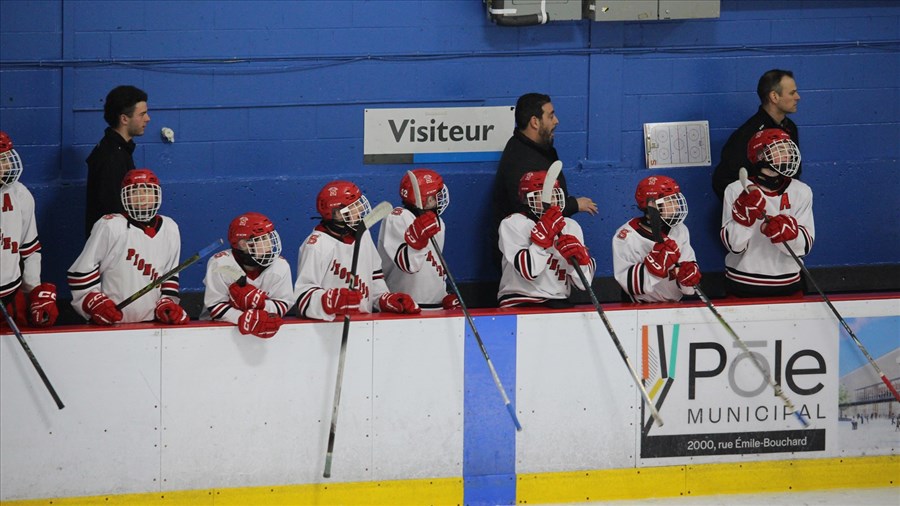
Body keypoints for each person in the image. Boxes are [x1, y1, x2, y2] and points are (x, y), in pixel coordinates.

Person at [68, 168, 188, 325]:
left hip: (152, 323)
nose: (141, 197)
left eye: (147, 191)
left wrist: (166, 302)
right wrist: (95, 303)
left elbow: (170, 274)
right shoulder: (110, 225)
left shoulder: (170, 228)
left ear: (157, 194)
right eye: (134, 192)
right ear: (125, 196)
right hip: (110, 322)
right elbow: (81, 271)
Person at [294, 180, 421, 321]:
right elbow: (303, 296)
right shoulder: (316, 245)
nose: (360, 209)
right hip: (326, 330)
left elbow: (374, 276)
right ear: (337, 214)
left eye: (359, 203)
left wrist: (383, 299)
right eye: (354, 206)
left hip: (364, 325)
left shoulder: (363, 234)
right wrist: (329, 302)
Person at [721, 129, 814, 298]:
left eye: (788, 149)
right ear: (761, 155)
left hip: (789, 285)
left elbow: (804, 247)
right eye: (780, 150)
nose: (787, 155)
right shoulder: (735, 190)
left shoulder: (801, 191)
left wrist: (788, 234)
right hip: (742, 285)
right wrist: (743, 219)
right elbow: (735, 247)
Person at [492, 92, 597, 228]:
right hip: (526, 244)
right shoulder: (521, 160)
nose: (556, 121)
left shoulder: (535, 148)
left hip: (544, 238)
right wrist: (574, 205)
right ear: (535, 122)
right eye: (551, 116)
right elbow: (535, 209)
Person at [497, 170, 595, 308]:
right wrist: (540, 241)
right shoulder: (513, 223)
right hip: (520, 300)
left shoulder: (570, 226)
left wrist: (579, 262)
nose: (551, 199)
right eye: (543, 195)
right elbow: (529, 272)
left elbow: (584, 284)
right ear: (527, 198)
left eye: (555, 194)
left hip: (559, 301)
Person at [377, 169, 460, 310]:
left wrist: (443, 295)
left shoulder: (438, 223)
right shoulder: (398, 217)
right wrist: (417, 239)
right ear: (427, 200)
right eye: (436, 195)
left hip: (435, 307)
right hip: (404, 306)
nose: (440, 198)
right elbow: (408, 265)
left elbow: (432, 265)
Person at [712, 69, 800, 200]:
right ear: (774, 97)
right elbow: (722, 181)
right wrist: (750, 203)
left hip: (785, 208)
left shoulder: (790, 128)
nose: (797, 97)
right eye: (792, 93)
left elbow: (794, 172)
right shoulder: (747, 134)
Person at [201, 212, 292, 338]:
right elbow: (215, 305)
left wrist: (261, 306)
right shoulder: (221, 264)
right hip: (214, 334)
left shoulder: (280, 266)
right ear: (244, 244)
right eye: (263, 239)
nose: (270, 244)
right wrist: (243, 318)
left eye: (269, 238)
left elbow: (283, 304)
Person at [0, 131, 58, 328]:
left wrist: (34, 293)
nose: (4, 166)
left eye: (5, 159)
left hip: (11, 296)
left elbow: (30, 250)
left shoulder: (20, 195)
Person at [612, 175, 701, 303]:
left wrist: (689, 274)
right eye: (671, 201)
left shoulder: (679, 229)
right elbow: (630, 285)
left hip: (675, 306)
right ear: (652, 204)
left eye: (676, 200)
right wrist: (656, 265)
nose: (676, 206)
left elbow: (686, 270)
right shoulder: (626, 236)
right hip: (639, 308)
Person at [85, 85, 150, 237]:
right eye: (142, 114)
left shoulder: (119, 150)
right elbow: (112, 209)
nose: (148, 119)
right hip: (113, 247)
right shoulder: (110, 157)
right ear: (124, 119)